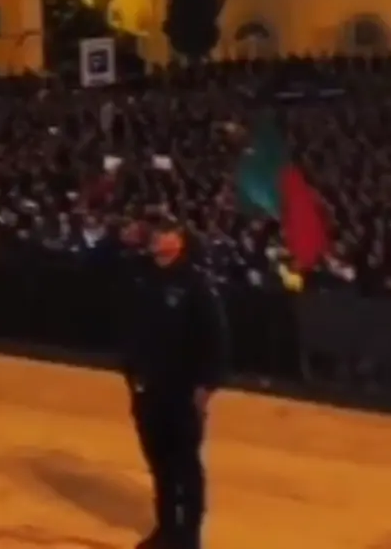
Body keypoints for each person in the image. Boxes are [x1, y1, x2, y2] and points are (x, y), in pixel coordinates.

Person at [115, 221, 229, 549]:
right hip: (147, 388)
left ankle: (189, 537)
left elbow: (216, 338)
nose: (156, 237)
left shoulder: (195, 284)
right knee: (159, 463)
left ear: (180, 242)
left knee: (186, 465)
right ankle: (165, 529)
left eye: (165, 232)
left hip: (182, 392)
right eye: (155, 232)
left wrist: (207, 387)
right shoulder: (141, 276)